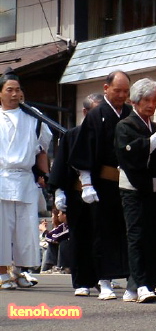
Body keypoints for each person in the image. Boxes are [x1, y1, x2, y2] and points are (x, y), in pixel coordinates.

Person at [69, 70, 132, 300]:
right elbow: (83, 152)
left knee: (125, 232)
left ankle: (126, 278)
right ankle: (103, 280)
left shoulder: (129, 112)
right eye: (117, 91)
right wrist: (86, 184)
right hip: (101, 182)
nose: (121, 96)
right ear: (106, 89)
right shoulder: (96, 115)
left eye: (126, 91)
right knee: (102, 233)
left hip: (125, 182)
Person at [115, 78, 156, 303]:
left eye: (154, 100)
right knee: (137, 236)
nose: (151, 104)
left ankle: (142, 284)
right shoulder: (125, 126)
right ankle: (140, 284)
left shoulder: (155, 126)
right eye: (147, 100)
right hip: (133, 187)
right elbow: (135, 154)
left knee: (154, 236)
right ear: (135, 101)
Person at [0, 71, 52, 289]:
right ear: (0, 93)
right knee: (3, 228)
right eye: (9, 89)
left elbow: (41, 150)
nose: (14, 94)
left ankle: (20, 271)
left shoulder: (33, 116)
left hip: (25, 178)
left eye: (18, 89)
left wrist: (45, 177)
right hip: (2, 176)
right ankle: (2, 272)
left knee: (26, 227)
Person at [49, 92, 103, 296]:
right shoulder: (72, 135)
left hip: (102, 192)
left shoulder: (107, 134)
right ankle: (81, 281)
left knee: (101, 236)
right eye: (95, 112)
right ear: (85, 112)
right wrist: (58, 192)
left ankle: (102, 277)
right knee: (79, 237)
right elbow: (60, 166)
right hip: (77, 193)